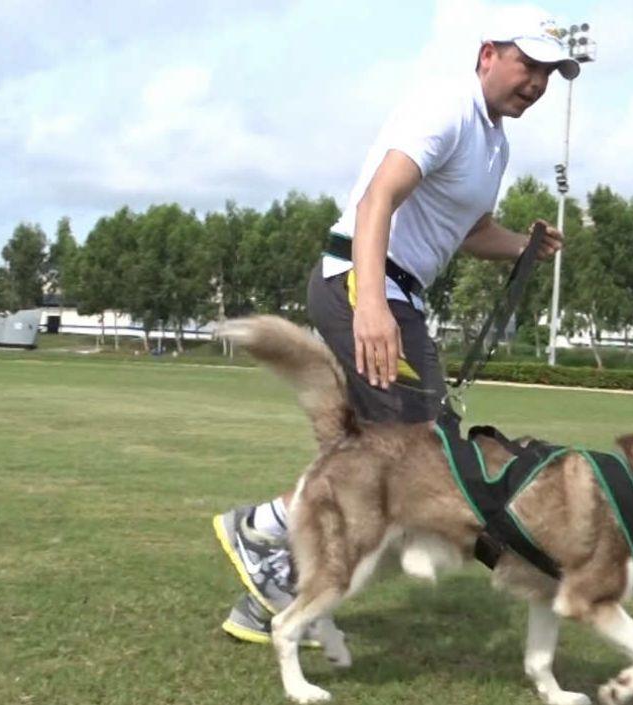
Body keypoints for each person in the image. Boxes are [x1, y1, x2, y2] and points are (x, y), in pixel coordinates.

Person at [213, 8, 577, 644]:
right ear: (487, 53)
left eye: (549, 72)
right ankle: (267, 530)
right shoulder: (445, 106)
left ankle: (268, 573)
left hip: (393, 290)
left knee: (408, 451)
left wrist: (523, 244)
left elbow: (468, 233)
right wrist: (373, 305)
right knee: (417, 454)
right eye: (529, 64)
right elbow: (379, 197)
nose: (538, 82)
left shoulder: (495, 142)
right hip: (364, 282)